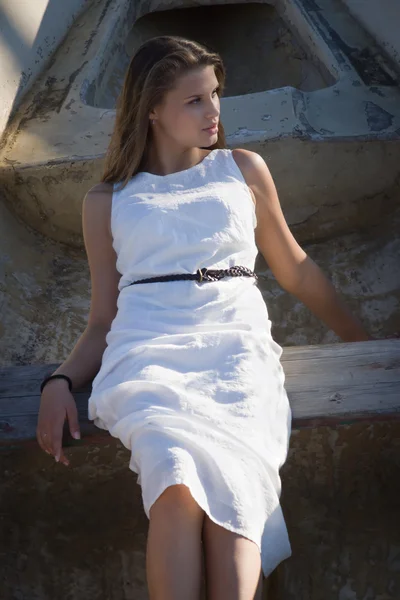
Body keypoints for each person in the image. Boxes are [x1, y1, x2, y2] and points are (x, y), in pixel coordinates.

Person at [36, 35, 371, 599]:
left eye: (215, 94)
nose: (214, 111)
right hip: (148, 361)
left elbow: (294, 268)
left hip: (235, 352)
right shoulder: (107, 201)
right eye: (194, 100)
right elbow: (102, 321)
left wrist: (363, 342)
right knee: (174, 480)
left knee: (232, 501)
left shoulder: (241, 169)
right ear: (151, 109)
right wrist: (60, 381)